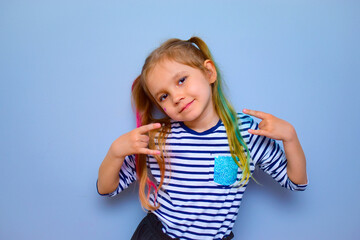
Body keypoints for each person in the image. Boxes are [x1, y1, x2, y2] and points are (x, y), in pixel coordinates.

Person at [96, 36, 308, 240]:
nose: (176, 97)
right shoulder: (160, 139)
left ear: (208, 72)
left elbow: (296, 183)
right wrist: (115, 152)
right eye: (164, 96)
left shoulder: (246, 133)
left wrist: (290, 137)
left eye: (181, 80)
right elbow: (106, 189)